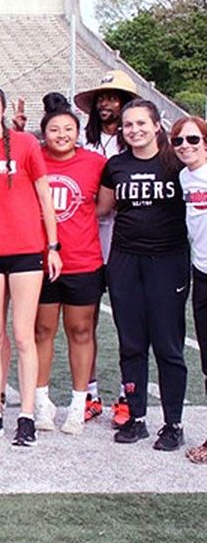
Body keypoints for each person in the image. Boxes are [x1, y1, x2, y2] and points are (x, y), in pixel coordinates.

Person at [0, 84, 61, 447]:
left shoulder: (25, 144)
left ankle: (26, 415)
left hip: (24, 250)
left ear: (2, 109)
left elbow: (44, 197)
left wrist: (52, 245)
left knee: (22, 335)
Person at [99, 99, 188, 451]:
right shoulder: (115, 165)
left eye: (141, 123)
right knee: (131, 342)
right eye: (128, 125)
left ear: (156, 125)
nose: (134, 130)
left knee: (167, 344)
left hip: (167, 260)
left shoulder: (175, 162)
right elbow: (103, 210)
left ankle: (173, 423)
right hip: (125, 260)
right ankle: (135, 417)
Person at [35, 95, 106, 435]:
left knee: (80, 331)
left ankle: (79, 405)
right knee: (42, 331)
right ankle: (41, 403)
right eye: (54, 129)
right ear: (43, 132)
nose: (61, 134)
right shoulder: (34, 159)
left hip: (82, 260)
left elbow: (104, 207)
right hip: (42, 260)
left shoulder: (94, 162)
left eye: (68, 129)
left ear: (77, 132)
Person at [74, 70, 137, 424]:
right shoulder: (84, 139)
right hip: (87, 237)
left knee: (128, 320)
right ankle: (90, 393)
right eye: (102, 98)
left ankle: (128, 394)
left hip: (125, 237)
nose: (106, 104)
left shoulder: (135, 139)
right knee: (86, 320)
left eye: (113, 97)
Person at [174, 117, 207, 463]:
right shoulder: (183, 177)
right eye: (178, 141)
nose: (185, 145)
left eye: (193, 139)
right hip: (202, 273)